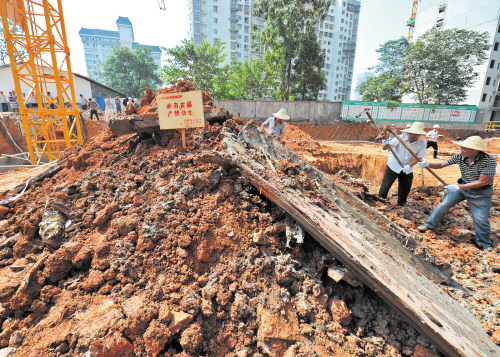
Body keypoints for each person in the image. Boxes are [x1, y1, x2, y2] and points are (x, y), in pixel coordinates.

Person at [417, 136, 496, 251]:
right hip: (462, 187)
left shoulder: (488, 160)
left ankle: (484, 244)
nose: (461, 150)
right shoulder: (460, 157)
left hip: (480, 193)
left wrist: (458, 186)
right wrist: (427, 164)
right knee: (444, 205)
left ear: (474, 150)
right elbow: (441, 165)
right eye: (461, 148)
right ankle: (428, 225)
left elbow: (482, 182)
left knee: (480, 219)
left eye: (464, 148)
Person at [378, 122, 427, 206]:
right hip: (394, 164)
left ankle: (402, 203)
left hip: (408, 166)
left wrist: (409, 166)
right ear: (408, 132)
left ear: (419, 134)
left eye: (415, 134)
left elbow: (419, 157)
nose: (412, 136)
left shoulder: (422, 142)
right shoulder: (400, 138)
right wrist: (385, 142)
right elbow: (385, 148)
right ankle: (380, 200)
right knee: (386, 184)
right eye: (411, 133)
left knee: (406, 187)